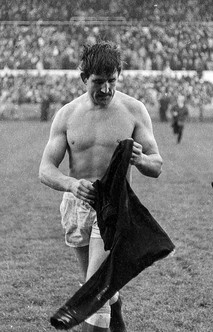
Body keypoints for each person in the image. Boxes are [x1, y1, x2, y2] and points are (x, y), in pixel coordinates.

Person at [39, 41, 163, 332]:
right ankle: (115, 305)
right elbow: (45, 169)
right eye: (98, 82)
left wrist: (141, 159)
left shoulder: (134, 110)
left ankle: (105, 308)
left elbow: (157, 165)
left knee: (94, 293)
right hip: (77, 205)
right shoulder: (67, 115)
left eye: (112, 81)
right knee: (95, 284)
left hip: (113, 206)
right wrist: (71, 184)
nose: (106, 89)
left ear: (119, 76)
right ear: (84, 78)